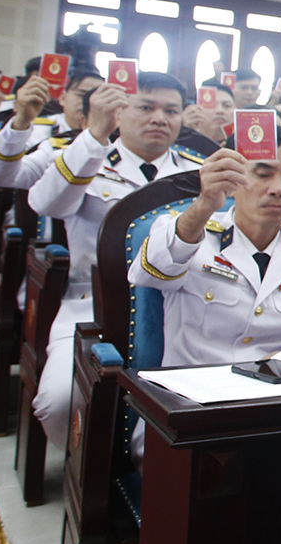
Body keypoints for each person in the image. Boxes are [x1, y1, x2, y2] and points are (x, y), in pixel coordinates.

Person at [128, 128, 281, 458]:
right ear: (233, 181)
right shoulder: (189, 233)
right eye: (263, 174)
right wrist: (203, 205)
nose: (278, 189)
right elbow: (144, 274)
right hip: (190, 415)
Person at [27, 74, 198, 446]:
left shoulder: (198, 171)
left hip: (181, 307)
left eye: (171, 111)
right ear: (120, 111)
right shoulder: (87, 157)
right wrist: (94, 136)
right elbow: (44, 204)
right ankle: (87, 464)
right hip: (93, 305)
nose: (159, 118)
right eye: (146, 107)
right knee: (58, 405)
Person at [0, 61, 102, 188]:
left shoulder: (111, 142)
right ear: (63, 98)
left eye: (96, 98)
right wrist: (22, 120)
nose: (88, 103)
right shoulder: (34, 130)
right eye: (82, 95)